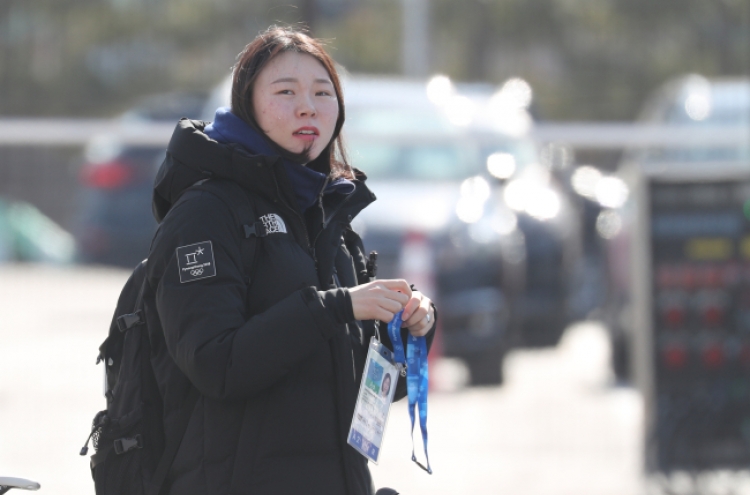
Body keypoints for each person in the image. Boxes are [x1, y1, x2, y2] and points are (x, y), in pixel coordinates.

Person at [143, 26, 437, 495]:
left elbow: (368, 397)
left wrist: (405, 328)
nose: (309, 106)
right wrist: (337, 307)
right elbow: (216, 364)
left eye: (324, 93)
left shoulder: (329, 218)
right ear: (248, 104)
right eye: (286, 92)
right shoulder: (205, 214)